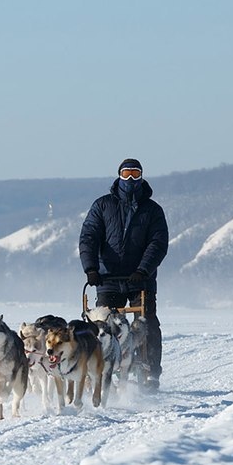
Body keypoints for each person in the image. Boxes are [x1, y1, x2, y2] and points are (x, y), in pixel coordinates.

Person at [79, 158, 169, 391]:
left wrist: (143, 270)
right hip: (107, 278)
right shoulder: (102, 205)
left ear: (141, 177)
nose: (130, 179)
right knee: (103, 325)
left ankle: (150, 372)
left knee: (146, 321)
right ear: (119, 176)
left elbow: (158, 243)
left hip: (140, 279)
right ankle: (102, 366)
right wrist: (91, 268)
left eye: (135, 174)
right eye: (126, 174)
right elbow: (89, 237)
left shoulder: (152, 210)